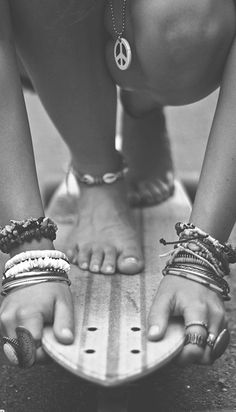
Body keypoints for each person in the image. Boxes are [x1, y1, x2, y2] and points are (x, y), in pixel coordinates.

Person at [0, 0, 236, 366]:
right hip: (40, 32)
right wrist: (28, 253)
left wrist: (201, 257)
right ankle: (96, 172)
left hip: (174, 30)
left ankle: (140, 104)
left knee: (181, 26)